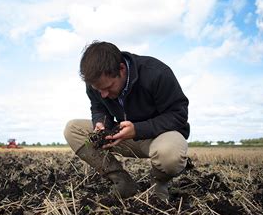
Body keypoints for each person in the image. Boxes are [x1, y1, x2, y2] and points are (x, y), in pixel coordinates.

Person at [64, 41, 190, 202]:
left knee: (170, 156)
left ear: (121, 69)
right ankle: (123, 182)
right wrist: (101, 124)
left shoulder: (156, 73)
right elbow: (98, 108)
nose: (103, 94)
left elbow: (178, 114)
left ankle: (159, 184)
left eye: (108, 87)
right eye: (98, 90)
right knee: (72, 129)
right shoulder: (96, 84)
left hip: (159, 136)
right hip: (123, 136)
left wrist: (137, 129)